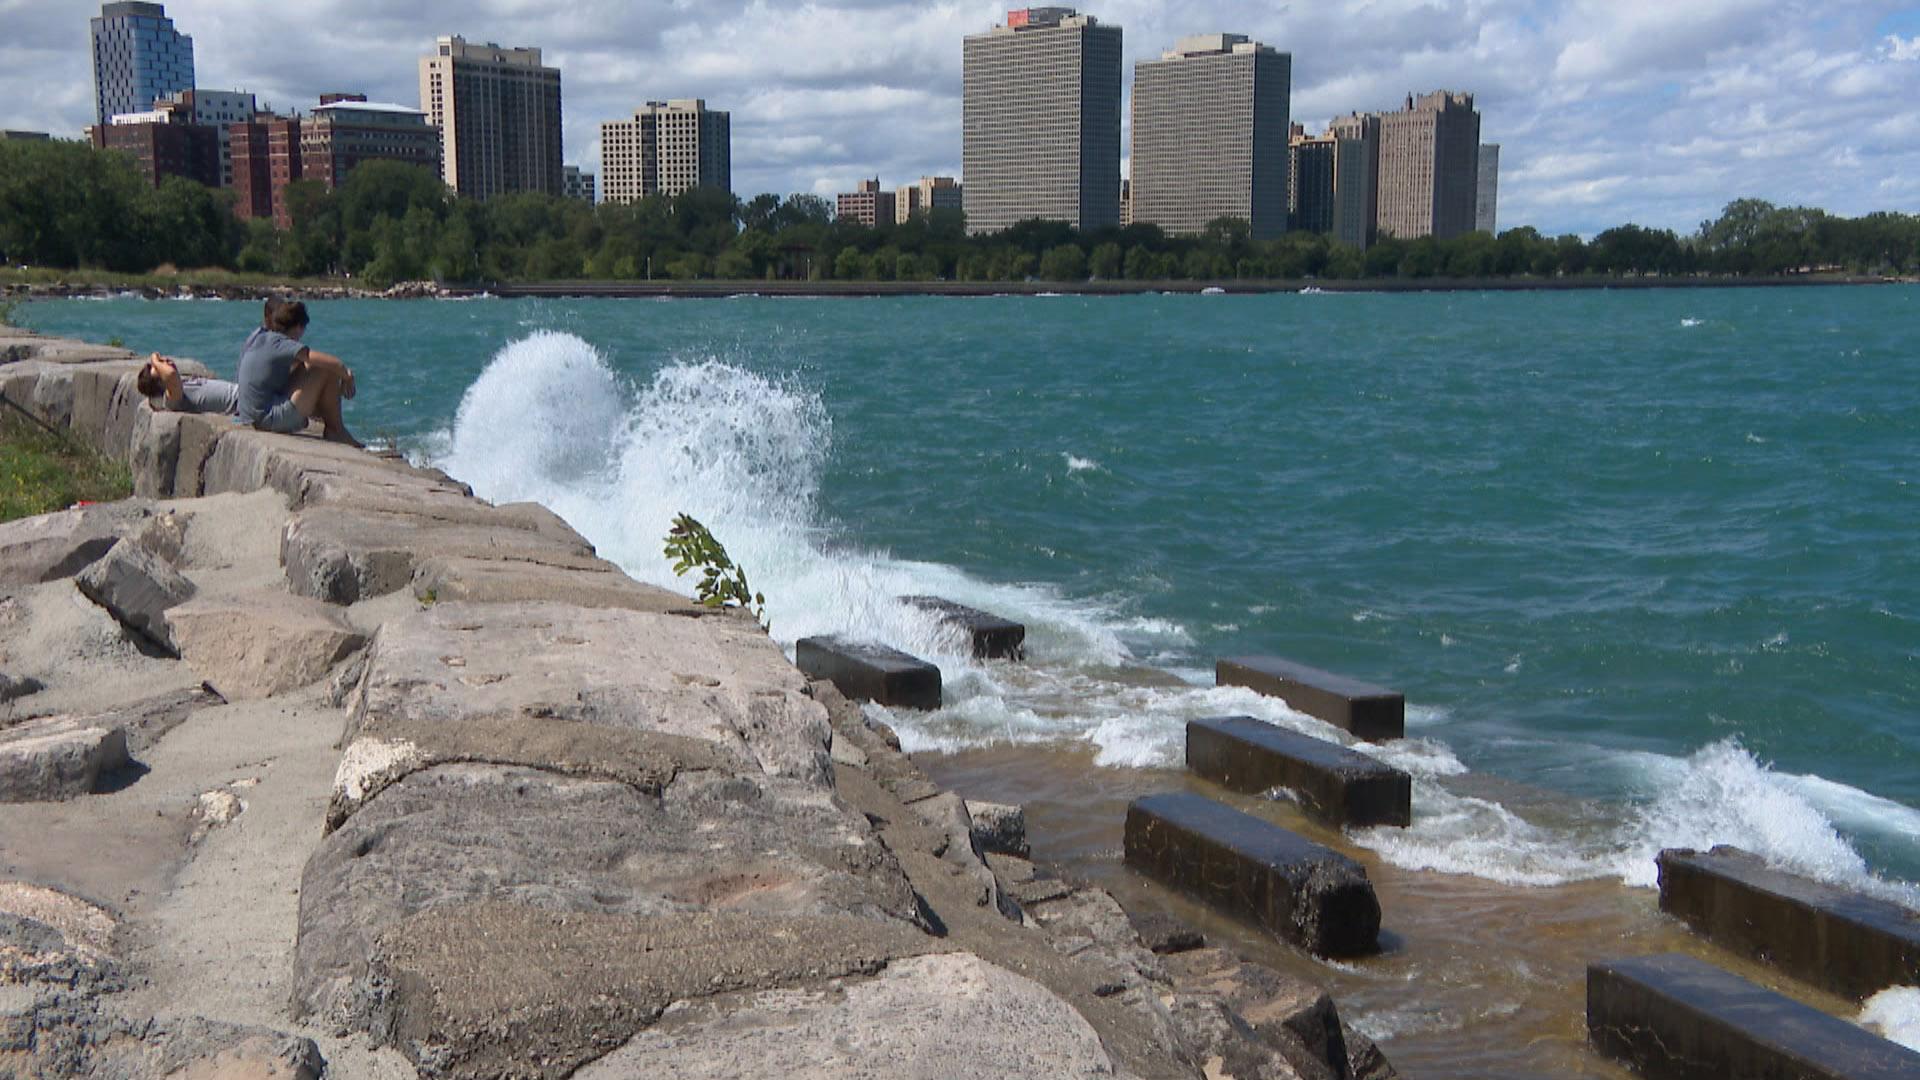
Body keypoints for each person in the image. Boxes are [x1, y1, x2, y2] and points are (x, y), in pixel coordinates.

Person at [236, 299, 360, 446]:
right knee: (325, 368)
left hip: (251, 415)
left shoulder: (261, 337)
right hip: (267, 419)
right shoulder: (281, 343)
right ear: (298, 327)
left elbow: (301, 366)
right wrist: (347, 376)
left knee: (309, 367)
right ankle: (336, 430)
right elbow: (324, 361)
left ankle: (334, 427)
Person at [137, 352, 240, 415]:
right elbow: (170, 374)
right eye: (161, 367)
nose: (166, 361)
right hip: (240, 402)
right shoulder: (172, 399)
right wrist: (154, 360)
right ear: (160, 383)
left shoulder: (181, 385)